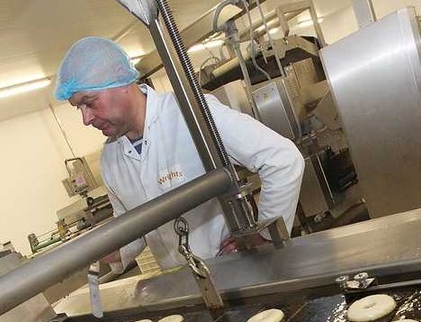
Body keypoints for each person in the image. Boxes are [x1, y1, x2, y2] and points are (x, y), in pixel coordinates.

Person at [55, 37, 305, 269]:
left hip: (236, 270)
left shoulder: (192, 115)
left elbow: (282, 159)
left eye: (89, 102)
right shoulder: (110, 159)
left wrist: (264, 237)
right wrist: (99, 251)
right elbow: (133, 228)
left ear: (120, 82)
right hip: (182, 285)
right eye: (79, 108)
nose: (86, 119)